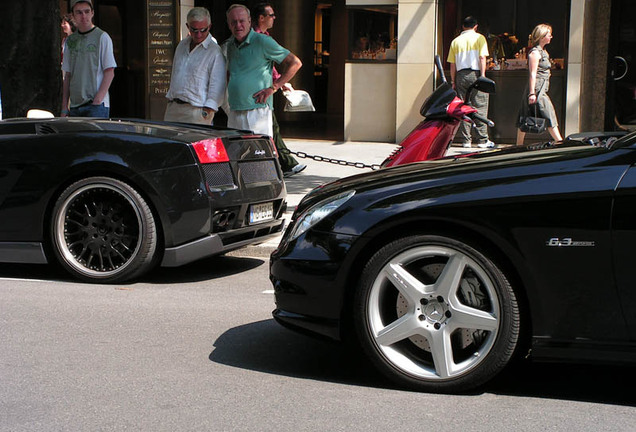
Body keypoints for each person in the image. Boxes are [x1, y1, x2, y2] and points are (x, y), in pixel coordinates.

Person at [224, 4, 302, 158]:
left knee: (259, 158)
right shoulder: (230, 45)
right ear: (228, 24)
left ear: (249, 21)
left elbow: (295, 63)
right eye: (233, 22)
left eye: (241, 21)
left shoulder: (262, 41)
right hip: (234, 110)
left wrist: (274, 87)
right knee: (236, 159)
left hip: (257, 111)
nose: (238, 25)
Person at [251, 2, 305, 177]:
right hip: (258, 93)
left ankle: (285, 164)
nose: (274, 18)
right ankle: (286, 164)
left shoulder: (264, 37)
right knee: (271, 128)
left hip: (265, 92)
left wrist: (280, 82)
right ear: (261, 18)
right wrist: (277, 84)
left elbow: (269, 66)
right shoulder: (257, 39)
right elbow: (292, 63)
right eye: (271, 15)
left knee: (272, 127)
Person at [164, 7, 226, 126]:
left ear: (209, 27)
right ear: (188, 27)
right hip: (173, 108)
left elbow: (218, 86)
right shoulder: (182, 45)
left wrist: (207, 111)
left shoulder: (214, 51)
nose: (198, 34)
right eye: (194, 30)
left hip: (196, 110)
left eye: (203, 30)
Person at [61, 0, 116, 118]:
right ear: (74, 15)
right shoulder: (70, 41)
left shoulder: (102, 37)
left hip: (96, 105)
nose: (83, 16)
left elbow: (109, 72)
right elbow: (68, 75)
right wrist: (64, 107)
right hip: (75, 106)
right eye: (79, 12)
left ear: (92, 13)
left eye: (86, 11)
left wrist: (97, 100)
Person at [447, 16, 494, 149]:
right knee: (480, 106)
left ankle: (466, 140)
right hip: (476, 74)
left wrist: (453, 80)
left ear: (463, 26)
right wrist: (483, 75)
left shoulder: (455, 41)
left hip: (461, 75)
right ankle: (482, 140)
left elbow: (452, 64)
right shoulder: (480, 38)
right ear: (475, 26)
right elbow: (482, 57)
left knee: (463, 107)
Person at [516, 24, 563, 145]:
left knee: (526, 114)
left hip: (541, 87)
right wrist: (532, 93)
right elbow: (532, 74)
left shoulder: (543, 52)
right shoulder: (535, 53)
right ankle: (560, 142)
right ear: (542, 36)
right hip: (537, 89)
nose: (551, 37)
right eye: (548, 34)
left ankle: (519, 144)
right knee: (548, 113)